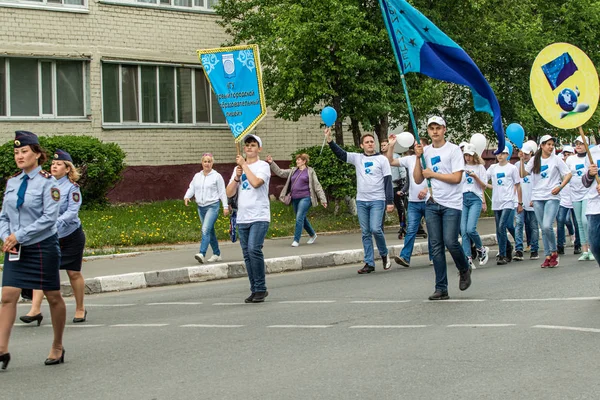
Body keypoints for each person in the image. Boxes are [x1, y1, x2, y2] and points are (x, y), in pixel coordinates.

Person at [0, 131, 66, 369]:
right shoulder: (13, 181)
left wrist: (19, 235)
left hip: (41, 247)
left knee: (53, 297)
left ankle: (57, 345)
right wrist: (6, 236)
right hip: (16, 247)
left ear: (37, 154)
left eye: (24, 151)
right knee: (7, 296)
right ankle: (2, 349)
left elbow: (50, 219)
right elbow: (4, 215)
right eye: (16, 152)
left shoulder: (49, 182)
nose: (19, 156)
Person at [21, 149, 88, 325]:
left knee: (73, 273)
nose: (54, 166)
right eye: (52, 164)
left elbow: (72, 213)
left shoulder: (72, 188)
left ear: (67, 169)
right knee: (42, 271)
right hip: (49, 237)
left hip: (71, 236)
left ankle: (80, 308)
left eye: (58, 164)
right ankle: (35, 310)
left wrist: (53, 222)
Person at [413, 116, 471, 300]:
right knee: (435, 246)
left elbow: (456, 178)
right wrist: (418, 158)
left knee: (451, 242)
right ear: (428, 131)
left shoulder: (453, 150)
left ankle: (464, 268)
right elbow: (418, 179)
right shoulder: (426, 151)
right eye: (431, 128)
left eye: (438, 128)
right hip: (432, 203)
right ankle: (441, 288)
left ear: (444, 129)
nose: (435, 131)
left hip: (451, 204)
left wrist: (434, 174)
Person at [325, 128, 394, 273]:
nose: (370, 144)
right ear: (361, 145)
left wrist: (390, 201)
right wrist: (330, 141)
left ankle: (384, 253)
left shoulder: (382, 159)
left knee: (376, 229)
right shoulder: (358, 158)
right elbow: (341, 154)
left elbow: (388, 181)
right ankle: (369, 263)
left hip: (377, 200)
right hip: (362, 201)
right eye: (367, 142)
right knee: (365, 232)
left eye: (371, 142)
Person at [225, 134, 270, 303]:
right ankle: (255, 289)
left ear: (259, 149)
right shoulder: (238, 169)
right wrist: (237, 177)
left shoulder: (263, 166)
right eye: (247, 145)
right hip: (242, 217)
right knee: (247, 255)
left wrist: (244, 165)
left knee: (254, 249)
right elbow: (229, 193)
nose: (249, 148)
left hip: (259, 215)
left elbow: (257, 183)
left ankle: (261, 288)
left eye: (253, 145)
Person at [521, 135, 572, 268]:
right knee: (543, 228)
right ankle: (548, 256)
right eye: (548, 144)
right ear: (542, 146)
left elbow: (568, 174)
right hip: (538, 197)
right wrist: (521, 160)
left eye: (552, 144)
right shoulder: (534, 160)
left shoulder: (556, 160)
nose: (550, 147)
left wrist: (560, 187)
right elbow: (522, 174)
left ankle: (554, 252)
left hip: (552, 196)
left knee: (547, 225)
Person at [386, 135, 430, 268]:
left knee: (433, 231)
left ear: (426, 147)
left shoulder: (431, 159)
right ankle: (405, 257)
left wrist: (427, 190)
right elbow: (390, 161)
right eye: (415, 145)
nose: (416, 147)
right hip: (413, 202)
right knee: (411, 230)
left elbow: (438, 178)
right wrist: (391, 145)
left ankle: (434, 257)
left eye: (419, 145)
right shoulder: (410, 159)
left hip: (429, 201)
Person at [266, 153, 327, 246]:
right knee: (301, 217)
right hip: (294, 198)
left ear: (304, 161)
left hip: (306, 198)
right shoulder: (293, 171)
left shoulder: (310, 172)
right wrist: (271, 163)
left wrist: (323, 199)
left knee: (299, 217)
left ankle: (296, 240)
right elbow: (280, 172)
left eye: (299, 160)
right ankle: (312, 234)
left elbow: (317, 186)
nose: (297, 161)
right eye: (297, 159)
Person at [184, 153, 229, 264]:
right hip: (201, 207)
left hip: (212, 206)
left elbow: (222, 192)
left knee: (205, 229)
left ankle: (202, 253)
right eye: (205, 161)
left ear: (212, 163)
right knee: (210, 231)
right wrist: (187, 196)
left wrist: (225, 206)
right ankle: (217, 254)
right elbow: (192, 188)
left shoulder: (216, 176)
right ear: (202, 163)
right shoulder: (197, 176)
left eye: (209, 161)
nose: (207, 164)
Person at [486, 146, 523, 265]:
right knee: (499, 228)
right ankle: (508, 247)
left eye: (503, 153)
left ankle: (502, 254)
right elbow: (484, 180)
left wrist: (520, 203)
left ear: (507, 154)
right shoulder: (492, 168)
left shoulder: (512, 168)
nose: (500, 155)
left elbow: (517, 185)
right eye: (498, 153)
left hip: (508, 201)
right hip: (497, 202)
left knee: (502, 226)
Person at [460, 143, 489, 268]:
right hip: (462, 198)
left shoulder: (480, 168)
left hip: (475, 198)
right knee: (463, 231)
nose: (468, 158)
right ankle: (468, 258)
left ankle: (481, 248)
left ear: (474, 155)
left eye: (470, 155)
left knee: (471, 229)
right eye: (466, 155)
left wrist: (475, 177)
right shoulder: (460, 167)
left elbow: (484, 186)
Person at [567, 138, 593, 260]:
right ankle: (584, 250)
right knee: (579, 223)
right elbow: (566, 174)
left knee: (585, 221)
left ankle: (592, 248)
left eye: (581, 144)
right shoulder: (570, 159)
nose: (579, 146)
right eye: (577, 144)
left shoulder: (590, 157)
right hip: (574, 194)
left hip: (587, 193)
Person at [514, 144, 539, 260]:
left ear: (531, 154)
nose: (525, 156)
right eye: (523, 153)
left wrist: (534, 198)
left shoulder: (535, 165)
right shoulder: (517, 165)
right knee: (519, 224)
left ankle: (534, 249)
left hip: (532, 200)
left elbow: (537, 183)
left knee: (533, 226)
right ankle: (518, 249)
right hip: (520, 201)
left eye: (527, 154)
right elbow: (517, 181)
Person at [380, 139, 408, 238]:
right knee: (381, 207)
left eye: (384, 145)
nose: (382, 147)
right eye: (381, 145)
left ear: (389, 145)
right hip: (383, 187)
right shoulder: (379, 157)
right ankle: (380, 227)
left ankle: (403, 225)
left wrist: (403, 184)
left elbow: (402, 171)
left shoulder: (395, 156)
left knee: (399, 207)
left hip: (395, 186)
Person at [556, 147, 580, 256]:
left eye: (569, 154)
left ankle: (578, 245)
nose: (566, 156)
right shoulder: (561, 167)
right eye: (564, 154)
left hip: (575, 197)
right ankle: (560, 246)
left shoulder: (576, 166)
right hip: (563, 199)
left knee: (577, 222)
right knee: (560, 220)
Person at [582, 149, 600, 264]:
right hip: (594, 206)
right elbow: (585, 182)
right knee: (595, 246)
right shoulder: (592, 153)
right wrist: (589, 174)